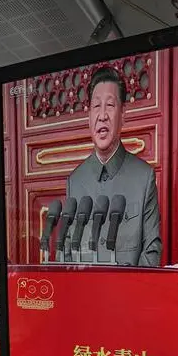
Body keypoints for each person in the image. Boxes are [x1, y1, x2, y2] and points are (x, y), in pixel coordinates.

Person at [66, 66, 162, 267]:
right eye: (96, 106)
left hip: (131, 288)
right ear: (89, 117)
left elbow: (151, 252)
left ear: (123, 114)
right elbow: (68, 252)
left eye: (110, 105)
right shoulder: (75, 181)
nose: (102, 115)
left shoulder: (144, 178)